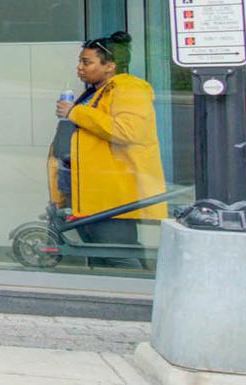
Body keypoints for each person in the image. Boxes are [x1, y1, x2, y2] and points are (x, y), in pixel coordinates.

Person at [50, 34, 165, 268]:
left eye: (87, 62)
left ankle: (131, 289)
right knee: (98, 253)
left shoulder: (128, 88)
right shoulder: (96, 91)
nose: (80, 67)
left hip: (109, 194)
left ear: (110, 66)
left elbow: (127, 131)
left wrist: (75, 112)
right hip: (86, 191)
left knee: (116, 255)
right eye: (80, 61)